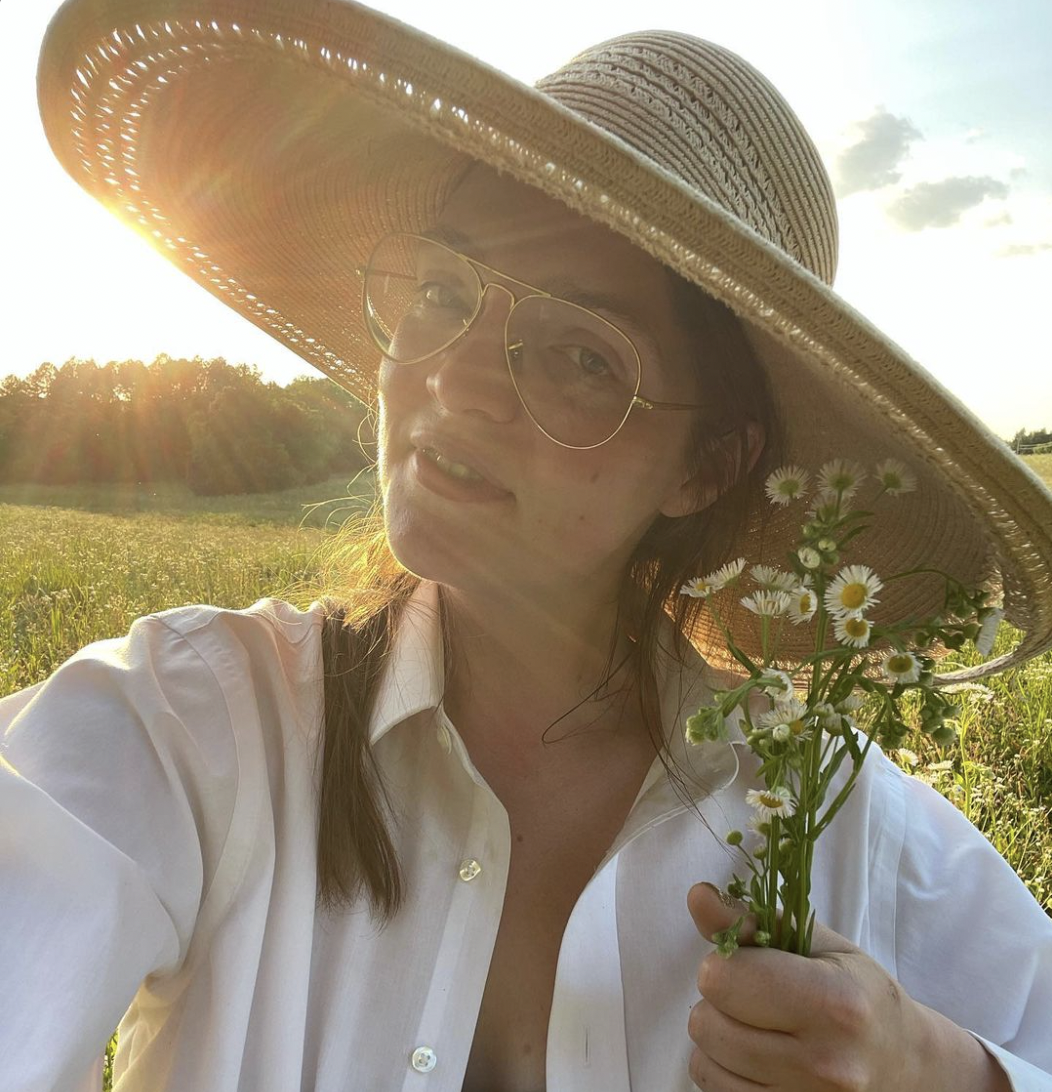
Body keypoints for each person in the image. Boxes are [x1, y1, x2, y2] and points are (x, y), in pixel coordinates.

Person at [4, 1, 1052, 1090]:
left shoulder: (829, 823)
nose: (451, 380)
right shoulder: (195, 727)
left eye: (582, 357)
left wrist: (932, 1068)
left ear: (707, 463)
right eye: (443, 291)